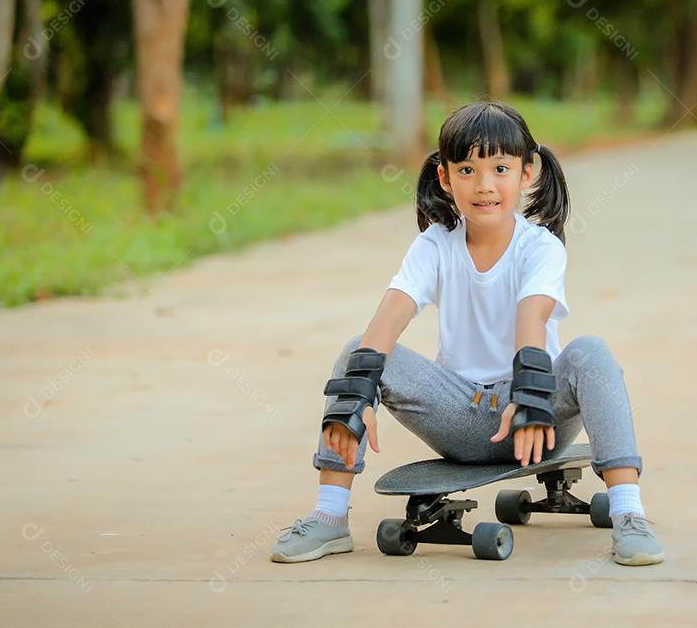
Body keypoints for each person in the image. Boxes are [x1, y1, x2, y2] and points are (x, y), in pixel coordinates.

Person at [271, 101, 663, 566]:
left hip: (535, 419)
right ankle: (329, 518)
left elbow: (531, 318)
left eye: (500, 168)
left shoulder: (540, 247)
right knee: (360, 349)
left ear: (526, 173)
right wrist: (356, 393)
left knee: (591, 352)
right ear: (444, 177)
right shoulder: (436, 243)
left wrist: (531, 394)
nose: (484, 186)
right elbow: (393, 313)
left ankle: (629, 516)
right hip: (457, 414)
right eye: (467, 170)